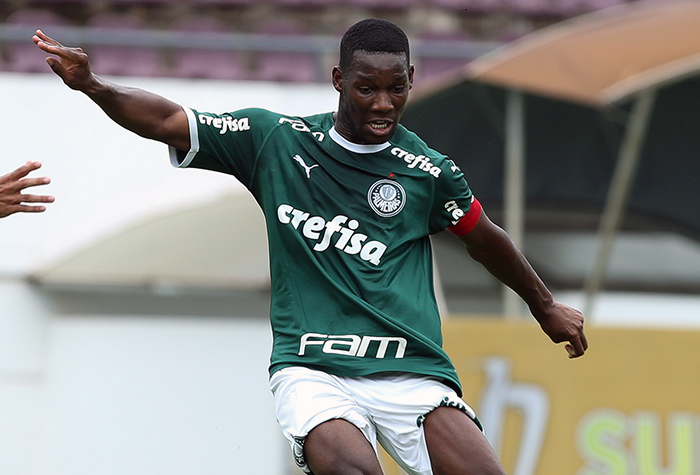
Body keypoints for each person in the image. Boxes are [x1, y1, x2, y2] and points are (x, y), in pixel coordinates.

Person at [34, 18, 587, 475]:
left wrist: (545, 306)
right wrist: (94, 86)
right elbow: (167, 120)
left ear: (413, 78)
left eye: (397, 88)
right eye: (365, 87)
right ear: (337, 78)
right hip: (313, 367)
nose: (382, 104)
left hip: (412, 367)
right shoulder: (277, 141)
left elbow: (486, 241)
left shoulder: (428, 171)